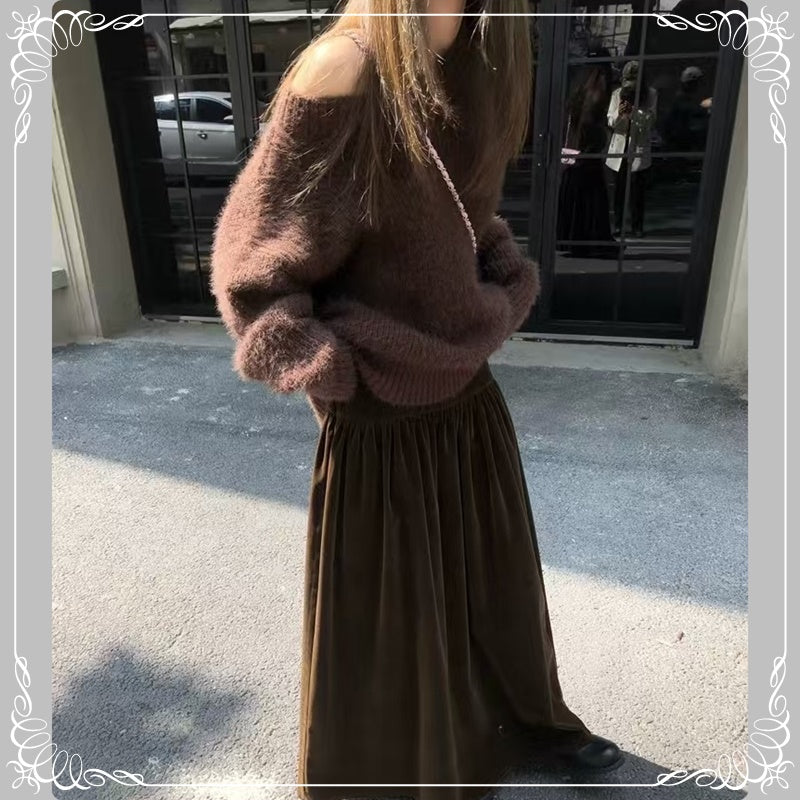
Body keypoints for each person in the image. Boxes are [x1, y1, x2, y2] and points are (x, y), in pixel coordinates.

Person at [210, 4, 623, 800]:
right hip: (381, 419)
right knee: (393, 628)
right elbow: (253, 268)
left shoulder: (459, 62)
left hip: (467, 394)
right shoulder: (344, 69)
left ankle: (522, 725)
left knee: (494, 591)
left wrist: (494, 279)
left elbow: (456, 221)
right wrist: (333, 373)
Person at [605, 60, 657, 238]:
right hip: (620, 146)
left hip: (638, 146)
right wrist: (620, 113)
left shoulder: (651, 94)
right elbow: (610, 121)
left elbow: (650, 121)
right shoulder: (617, 94)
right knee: (619, 190)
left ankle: (637, 226)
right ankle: (618, 225)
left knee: (637, 191)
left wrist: (634, 112)